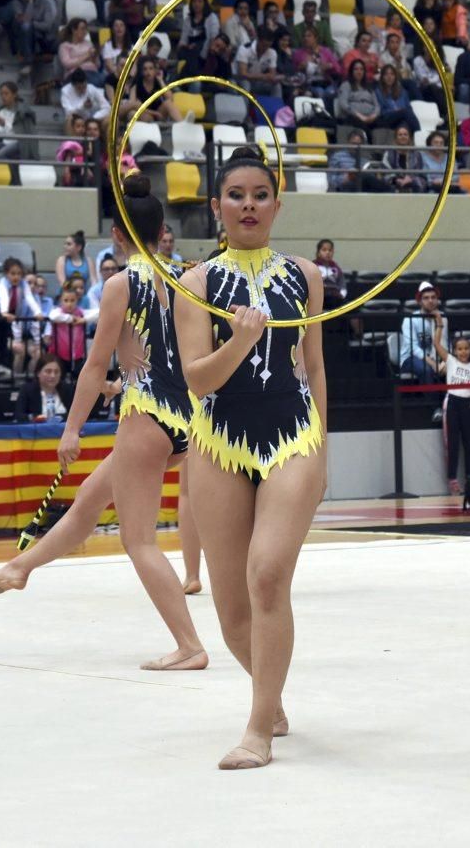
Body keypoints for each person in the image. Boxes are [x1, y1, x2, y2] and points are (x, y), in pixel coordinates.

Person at [0, 175, 208, 677]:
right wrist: (122, 384)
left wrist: (72, 429)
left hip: (146, 416)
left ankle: (189, 644)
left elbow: (93, 363)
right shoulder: (189, 275)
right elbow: (171, 354)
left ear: (117, 237)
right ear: (161, 229)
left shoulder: (121, 284)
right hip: (183, 418)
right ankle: (21, 568)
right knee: (87, 504)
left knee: (138, 540)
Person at [173, 145, 326, 769]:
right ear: (216, 207)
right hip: (217, 444)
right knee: (233, 609)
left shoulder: (306, 277)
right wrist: (239, 340)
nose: (248, 205)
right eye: (236, 195)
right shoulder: (197, 283)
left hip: (292, 436)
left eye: (260, 195)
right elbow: (198, 380)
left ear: (277, 205)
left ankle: (257, 730)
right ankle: (272, 698)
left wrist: (323, 448)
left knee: (268, 575)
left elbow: (313, 368)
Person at [432, 324, 470, 495]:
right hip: (452, 403)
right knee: (452, 443)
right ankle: (453, 480)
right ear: (455, 351)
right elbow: (437, 344)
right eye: (460, 349)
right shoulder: (451, 361)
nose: (463, 352)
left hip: (468, 404)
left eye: (466, 348)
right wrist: (439, 325)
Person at [0, 257, 44, 378]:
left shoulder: (24, 284)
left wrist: (37, 312)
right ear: (6, 274)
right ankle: (17, 378)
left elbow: (29, 298)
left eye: (19, 274)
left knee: (37, 353)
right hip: (2, 323)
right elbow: (4, 298)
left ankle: (31, 378)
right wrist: (4, 312)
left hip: (16, 322)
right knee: (19, 350)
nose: (16, 277)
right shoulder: (2, 284)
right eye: (12, 274)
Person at [400, 281, 447, 383]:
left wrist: (445, 362)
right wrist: (433, 364)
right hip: (410, 358)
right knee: (426, 369)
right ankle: (432, 399)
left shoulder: (442, 317)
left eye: (433, 297)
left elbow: (444, 343)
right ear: (420, 301)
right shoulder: (410, 319)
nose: (430, 301)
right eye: (426, 298)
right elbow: (413, 348)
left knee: (456, 367)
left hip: (434, 357)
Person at [121, 56, 183, 122]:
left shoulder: (158, 82)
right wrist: (154, 113)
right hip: (145, 113)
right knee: (133, 114)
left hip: (159, 112)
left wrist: (160, 80)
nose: (148, 72)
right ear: (141, 72)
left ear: (155, 70)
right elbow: (132, 105)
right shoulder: (136, 84)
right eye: (145, 69)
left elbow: (170, 98)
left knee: (168, 103)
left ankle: (183, 124)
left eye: (151, 69)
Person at [14, 353, 73, 422]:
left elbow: (77, 414)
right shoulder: (27, 390)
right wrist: (41, 418)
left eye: (56, 372)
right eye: (48, 371)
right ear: (38, 373)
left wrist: (59, 418)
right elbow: (19, 416)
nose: (53, 376)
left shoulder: (67, 390)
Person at [177, 0, 220, 78]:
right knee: (190, 53)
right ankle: (193, 76)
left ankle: (185, 78)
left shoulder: (211, 18)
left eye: (200, 1)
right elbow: (183, 40)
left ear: (205, 3)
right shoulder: (188, 20)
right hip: (189, 50)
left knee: (196, 50)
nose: (196, 4)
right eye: (194, 1)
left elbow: (213, 37)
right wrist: (186, 46)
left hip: (205, 50)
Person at [236, 27, 282, 98]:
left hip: (258, 82)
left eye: (269, 45)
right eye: (264, 45)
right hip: (241, 81)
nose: (266, 48)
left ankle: (277, 108)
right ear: (258, 40)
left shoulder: (272, 52)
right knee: (246, 85)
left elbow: (272, 74)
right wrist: (264, 76)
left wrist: (274, 78)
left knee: (276, 85)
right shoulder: (244, 49)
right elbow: (243, 74)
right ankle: (244, 108)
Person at [335, 59, 380, 129]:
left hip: (371, 118)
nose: (359, 72)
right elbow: (343, 104)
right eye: (356, 69)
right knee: (362, 126)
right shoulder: (346, 85)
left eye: (361, 69)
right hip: (354, 117)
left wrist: (374, 116)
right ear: (351, 71)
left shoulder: (369, 87)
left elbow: (377, 105)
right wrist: (359, 116)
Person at [376, 67, 421, 135]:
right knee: (405, 113)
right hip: (387, 118)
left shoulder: (402, 91)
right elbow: (381, 110)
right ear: (382, 77)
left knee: (404, 123)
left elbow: (409, 107)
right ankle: (418, 133)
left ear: (395, 77)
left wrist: (400, 112)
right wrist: (396, 111)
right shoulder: (378, 91)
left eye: (392, 74)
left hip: (402, 116)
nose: (389, 77)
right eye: (386, 74)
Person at [58, 17, 103, 85]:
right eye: (82, 29)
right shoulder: (65, 46)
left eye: (86, 29)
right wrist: (87, 55)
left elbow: (98, 65)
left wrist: (96, 55)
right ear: (74, 30)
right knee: (93, 82)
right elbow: (67, 64)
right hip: (75, 74)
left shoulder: (89, 44)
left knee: (107, 80)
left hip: (92, 72)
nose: (85, 32)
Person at [314, 238, 347, 310]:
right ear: (318, 252)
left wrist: (342, 295)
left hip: (335, 297)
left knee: (353, 306)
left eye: (330, 250)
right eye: (324, 250)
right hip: (320, 298)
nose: (327, 253)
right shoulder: (313, 266)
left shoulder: (335, 267)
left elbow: (342, 284)